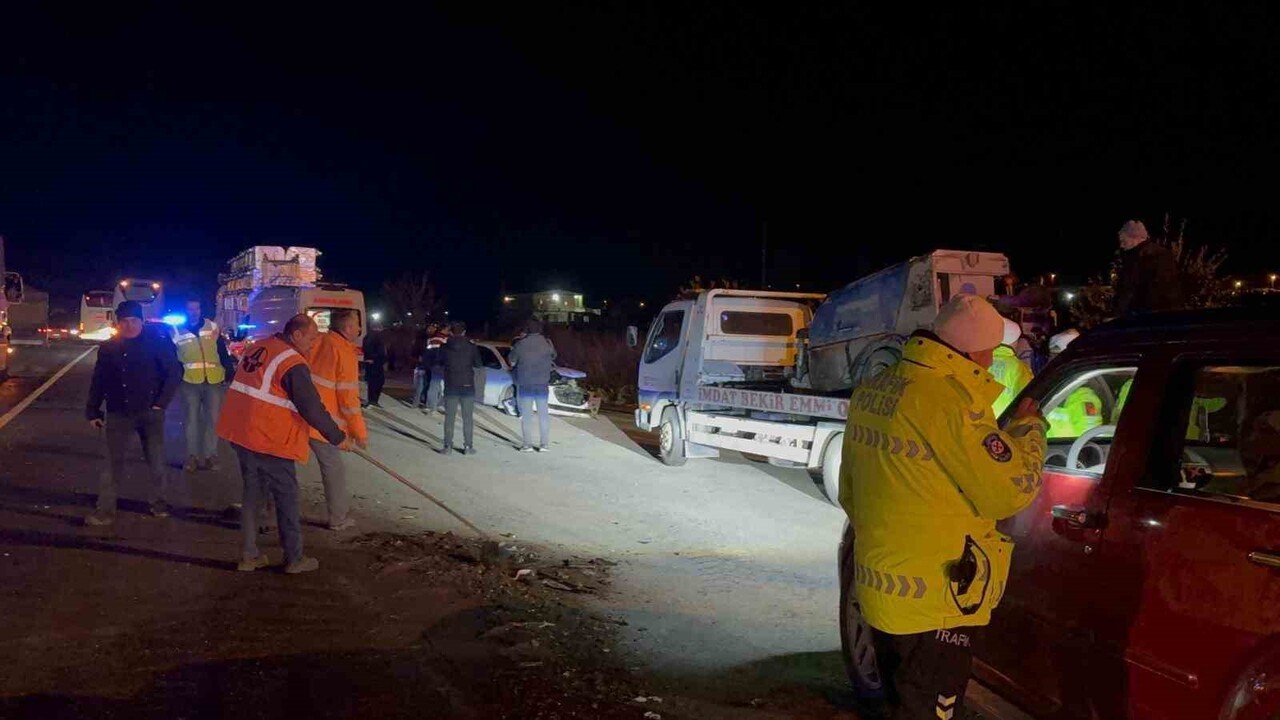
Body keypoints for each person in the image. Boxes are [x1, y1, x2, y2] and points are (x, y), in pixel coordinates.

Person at [839, 294, 1047, 720]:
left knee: (899, 703)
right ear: (970, 350)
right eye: (990, 351)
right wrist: (1028, 429)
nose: (991, 362)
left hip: (882, 593)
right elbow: (1010, 490)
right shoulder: (953, 405)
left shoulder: (874, 390)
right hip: (936, 601)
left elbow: (850, 492)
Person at [216, 314, 346, 574]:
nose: (313, 344)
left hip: (242, 434)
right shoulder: (292, 362)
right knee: (286, 498)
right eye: (311, 338)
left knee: (252, 495)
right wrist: (337, 437)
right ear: (296, 335)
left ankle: (249, 555)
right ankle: (294, 559)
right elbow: (311, 407)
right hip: (269, 439)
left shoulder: (261, 346)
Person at [84, 301, 183, 526]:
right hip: (119, 412)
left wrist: (161, 403)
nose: (129, 326)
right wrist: (93, 410)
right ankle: (105, 511)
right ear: (118, 323)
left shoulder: (158, 343)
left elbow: (174, 373)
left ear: (142, 321)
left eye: (134, 321)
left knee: (156, 461)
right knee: (111, 464)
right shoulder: (109, 348)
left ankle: (159, 503)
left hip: (151, 413)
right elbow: (99, 380)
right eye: (125, 322)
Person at [305, 308, 368, 531]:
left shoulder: (317, 341)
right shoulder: (344, 352)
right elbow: (348, 400)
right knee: (334, 470)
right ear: (348, 328)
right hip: (323, 424)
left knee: (280, 467)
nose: (360, 328)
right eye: (357, 324)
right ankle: (338, 518)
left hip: (299, 415)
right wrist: (359, 434)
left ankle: (264, 514)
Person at [173, 297, 234, 473]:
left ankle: (210, 456)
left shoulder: (212, 327)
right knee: (191, 420)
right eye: (190, 309)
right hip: (189, 381)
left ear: (200, 310)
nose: (194, 312)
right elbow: (171, 356)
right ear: (185, 311)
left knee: (213, 420)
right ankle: (192, 457)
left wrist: (229, 372)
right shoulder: (176, 330)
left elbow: (222, 351)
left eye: (197, 309)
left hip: (214, 381)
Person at [1114, 219, 1184, 316]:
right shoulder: (1163, 255)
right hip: (1163, 317)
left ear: (1134, 238)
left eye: (1124, 241)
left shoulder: (1139, 258)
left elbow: (1130, 291)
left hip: (1145, 319)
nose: (1121, 245)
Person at [508, 319, 557, 452]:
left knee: (527, 416)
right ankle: (544, 445)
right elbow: (554, 356)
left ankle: (527, 445)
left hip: (525, 383)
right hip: (542, 383)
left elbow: (511, 361)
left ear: (527, 330)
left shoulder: (520, 344)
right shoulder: (547, 343)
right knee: (543, 415)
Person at [439, 321, 484, 455]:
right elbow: (478, 364)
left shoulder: (445, 347)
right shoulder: (471, 346)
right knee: (467, 418)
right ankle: (468, 447)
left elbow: (439, 362)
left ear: (451, 332)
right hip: (467, 385)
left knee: (450, 418)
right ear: (464, 332)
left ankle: (447, 447)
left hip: (451, 384)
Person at [990, 317, 1034, 417]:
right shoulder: (1019, 368)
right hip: (1002, 424)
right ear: (1013, 341)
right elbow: (1027, 400)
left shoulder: (979, 361)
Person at [423, 323, 451, 413]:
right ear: (445, 329)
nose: (449, 332)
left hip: (433, 365)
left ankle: (430, 405)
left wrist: (427, 364)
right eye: (448, 330)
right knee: (441, 387)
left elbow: (428, 352)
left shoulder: (432, 339)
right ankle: (439, 405)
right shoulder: (446, 339)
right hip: (443, 366)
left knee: (433, 386)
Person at [361, 327, 387, 408]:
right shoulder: (373, 337)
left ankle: (373, 400)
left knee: (375, 382)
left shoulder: (371, 336)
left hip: (375, 363)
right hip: (375, 363)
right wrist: (372, 358)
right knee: (375, 382)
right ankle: (373, 400)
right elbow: (370, 349)